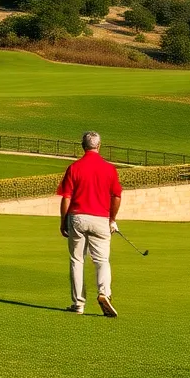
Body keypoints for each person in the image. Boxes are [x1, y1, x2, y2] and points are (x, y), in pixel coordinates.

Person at [58, 131, 123, 317]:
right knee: (101, 260)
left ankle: (78, 304)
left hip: (77, 217)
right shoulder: (109, 169)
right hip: (101, 219)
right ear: (99, 146)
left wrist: (63, 222)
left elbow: (66, 198)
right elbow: (117, 196)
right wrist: (112, 219)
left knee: (77, 260)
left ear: (82, 146)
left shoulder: (74, 167)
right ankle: (104, 293)